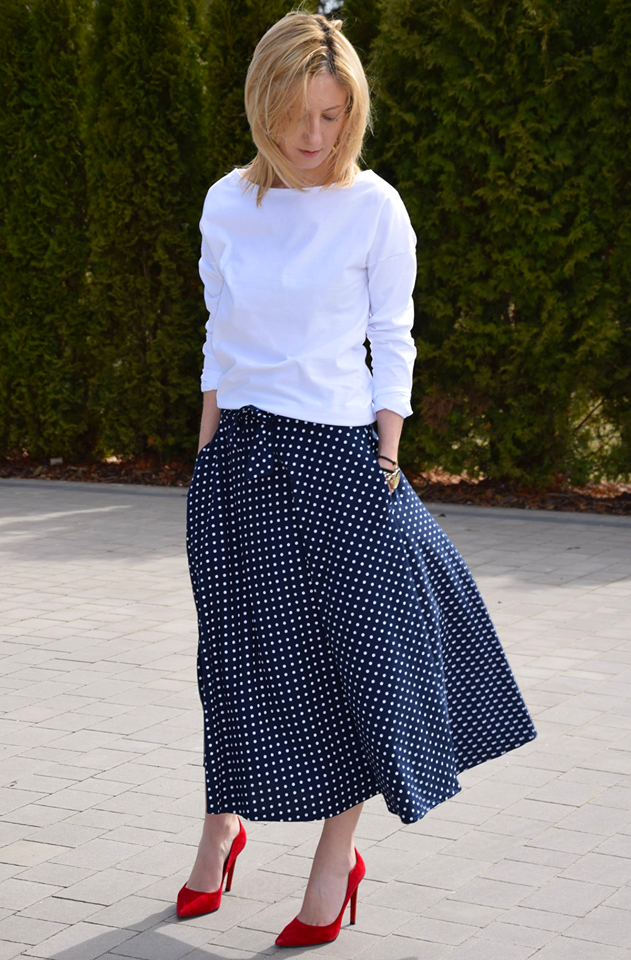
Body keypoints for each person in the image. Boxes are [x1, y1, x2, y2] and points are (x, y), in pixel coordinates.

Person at [177, 7, 537, 948]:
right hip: (238, 457)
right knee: (237, 660)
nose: (312, 136)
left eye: (333, 116)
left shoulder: (374, 205)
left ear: (353, 114)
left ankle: (336, 862)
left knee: (365, 660)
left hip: (341, 456)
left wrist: (384, 451)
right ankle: (223, 828)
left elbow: (392, 335)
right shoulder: (226, 201)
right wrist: (206, 448)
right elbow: (220, 334)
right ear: (263, 105)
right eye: (297, 114)